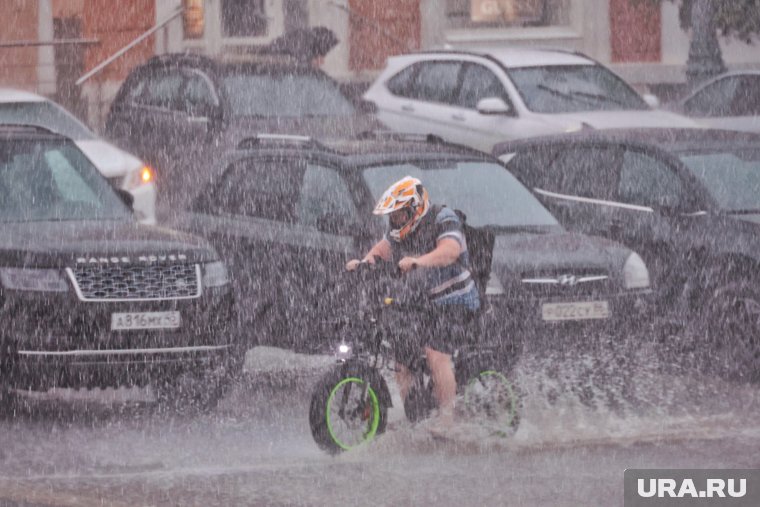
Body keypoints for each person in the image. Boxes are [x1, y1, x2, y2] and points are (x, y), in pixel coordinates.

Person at [346, 176, 480, 434]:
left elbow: (450, 250)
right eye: (392, 216)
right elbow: (382, 249)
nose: (395, 220)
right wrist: (363, 263)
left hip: (456, 300)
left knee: (435, 353)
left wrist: (419, 261)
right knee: (402, 354)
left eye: (399, 214)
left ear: (415, 209)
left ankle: (446, 421)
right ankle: (416, 415)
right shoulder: (398, 230)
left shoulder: (443, 218)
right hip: (423, 303)